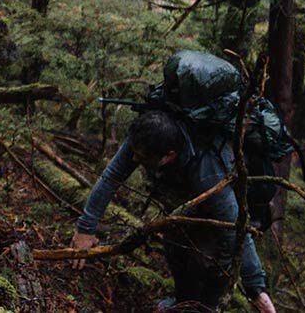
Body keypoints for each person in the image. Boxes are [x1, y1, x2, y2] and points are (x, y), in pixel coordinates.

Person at [73, 81, 279, 311]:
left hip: (226, 209)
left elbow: (234, 225)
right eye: (134, 153)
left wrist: (256, 288)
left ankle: (203, 308)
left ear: (168, 156)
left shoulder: (206, 172)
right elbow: (111, 177)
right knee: (174, 243)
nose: (134, 160)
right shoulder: (145, 135)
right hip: (187, 200)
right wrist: (85, 228)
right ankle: (181, 301)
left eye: (142, 158)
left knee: (210, 262)